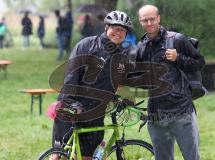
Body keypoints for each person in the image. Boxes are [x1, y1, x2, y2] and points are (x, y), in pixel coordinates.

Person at [51, 11, 133, 159]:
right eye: (115, 28)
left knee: (87, 156)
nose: (118, 33)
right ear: (107, 27)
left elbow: (117, 82)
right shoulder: (87, 45)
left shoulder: (121, 56)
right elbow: (71, 74)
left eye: (123, 30)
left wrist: (125, 99)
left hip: (96, 113)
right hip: (73, 109)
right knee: (59, 154)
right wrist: (70, 102)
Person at [137, 4, 205, 160]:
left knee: (191, 157)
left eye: (152, 19)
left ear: (159, 18)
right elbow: (141, 79)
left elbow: (199, 62)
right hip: (156, 115)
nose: (149, 23)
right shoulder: (141, 47)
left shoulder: (177, 39)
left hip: (181, 111)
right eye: (145, 20)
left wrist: (179, 58)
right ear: (140, 22)